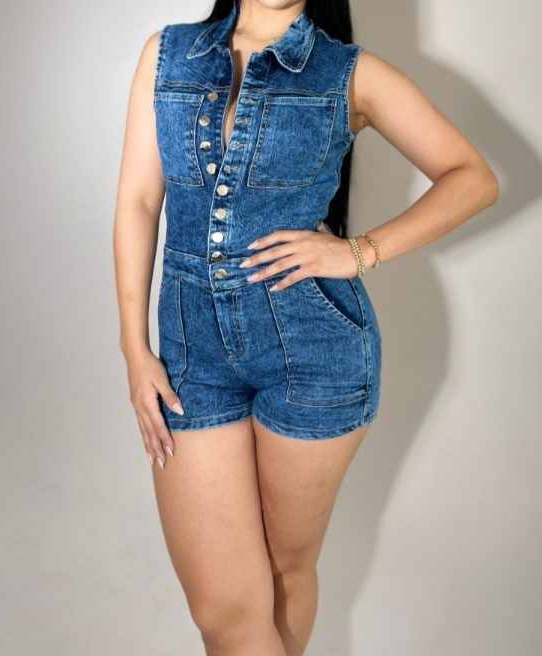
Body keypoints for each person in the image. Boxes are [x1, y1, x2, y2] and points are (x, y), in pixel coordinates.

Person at [113, 0, 498, 653]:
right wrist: (134, 348)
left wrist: (357, 252)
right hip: (190, 357)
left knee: (285, 568)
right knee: (223, 611)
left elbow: (472, 178)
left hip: (313, 351)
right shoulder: (168, 53)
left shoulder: (350, 73)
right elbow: (138, 200)